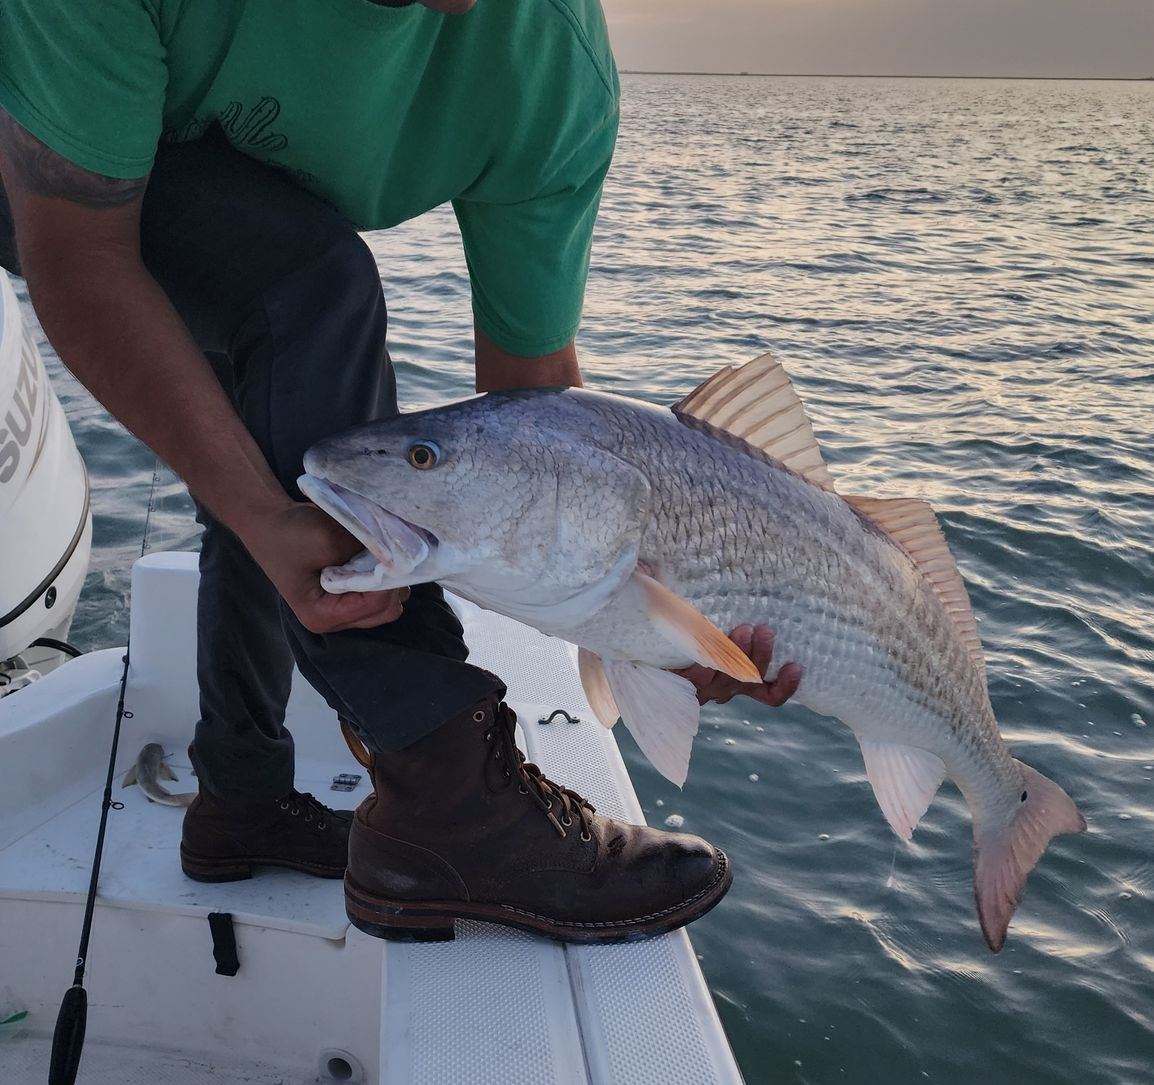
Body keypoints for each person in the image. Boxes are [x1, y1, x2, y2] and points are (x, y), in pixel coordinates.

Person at [0, 0, 800, 943]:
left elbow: (534, 404)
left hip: (194, 171)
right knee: (309, 286)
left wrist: (653, 616)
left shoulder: (547, 61)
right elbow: (80, 251)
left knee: (274, 455)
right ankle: (447, 793)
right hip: (34, 129)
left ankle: (241, 798)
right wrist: (264, 514)